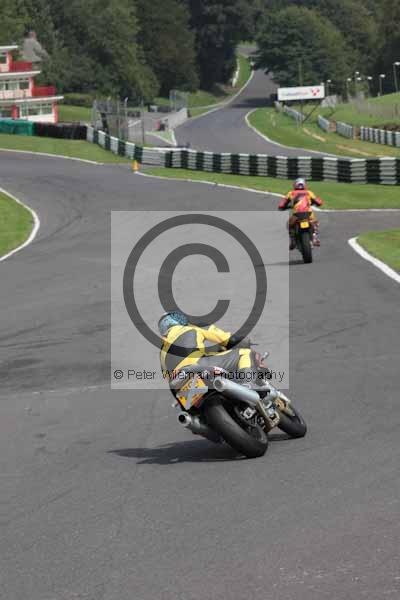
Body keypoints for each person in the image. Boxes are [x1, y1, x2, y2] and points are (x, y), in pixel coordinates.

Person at [159, 311, 257, 388]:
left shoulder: (162, 351)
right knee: (244, 353)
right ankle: (248, 384)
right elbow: (226, 339)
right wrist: (245, 341)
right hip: (199, 365)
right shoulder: (192, 328)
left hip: (179, 381)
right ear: (180, 320)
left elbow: (167, 376)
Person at [278, 178, 323, 250]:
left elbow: (282, 204)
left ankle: (293, 241)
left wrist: (283, 207)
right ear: (304, 185)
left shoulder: (291, 193)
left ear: (295, 185)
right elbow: (319, 202)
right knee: (315, 222)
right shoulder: (309, 192)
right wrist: (315, 203)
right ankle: (314, 237)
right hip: (308, 214)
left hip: (297, 215)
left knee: (289, 224)